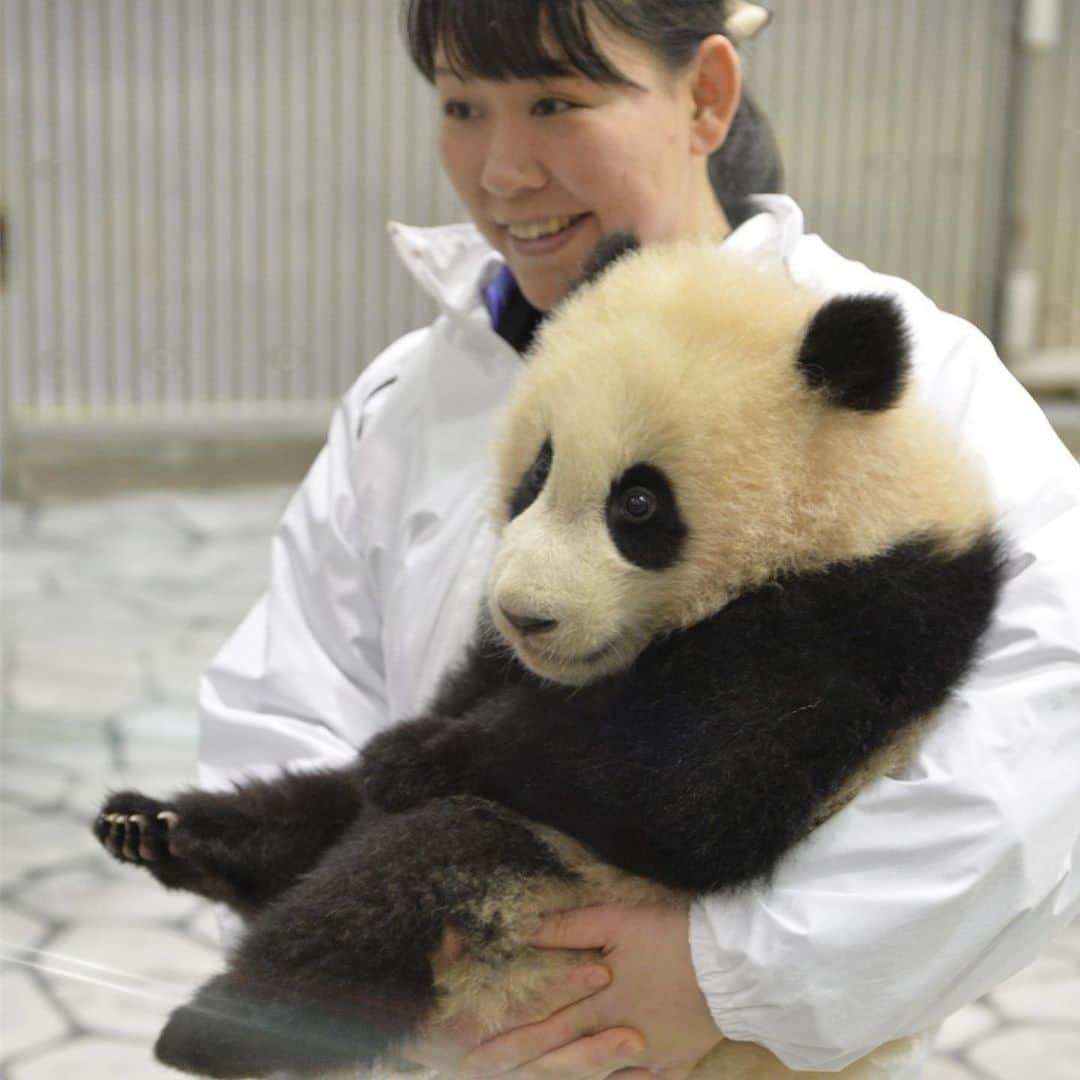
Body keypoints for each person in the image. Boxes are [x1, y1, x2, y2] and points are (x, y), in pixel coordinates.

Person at [195, 2, 1080, 1077]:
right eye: (461, 105)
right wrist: (400, 971)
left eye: (557, 102)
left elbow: (1038, 757)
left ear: (706, 97)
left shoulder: (915, 390)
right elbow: (291, 695)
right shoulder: (408, 398)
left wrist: (725, 978)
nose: (503, 169)